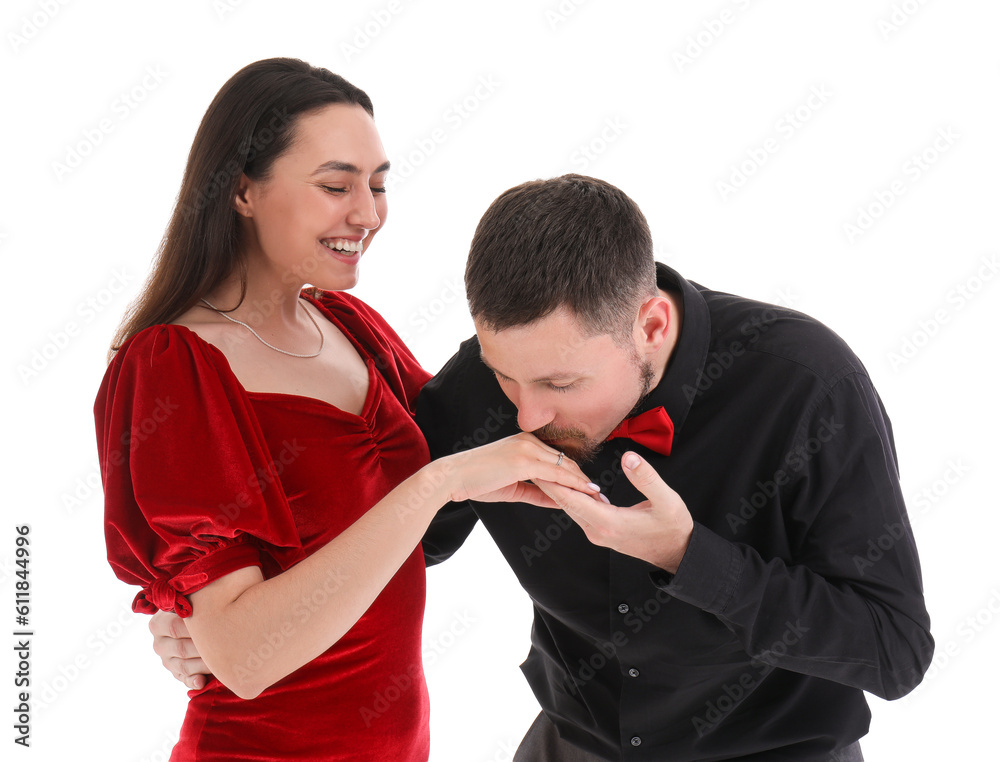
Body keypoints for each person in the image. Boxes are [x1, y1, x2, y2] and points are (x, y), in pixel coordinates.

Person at [153, 174, 934, 760]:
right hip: (568, 744)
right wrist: (221, 609)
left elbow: (894, 651)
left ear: (651, 324)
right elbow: (387, 536)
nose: (524, 415)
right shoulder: (485, 390)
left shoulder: (806, 386)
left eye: (560, 385)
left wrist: (686, 557)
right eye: (505, 377)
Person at [94, 60, 599, 762]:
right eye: (336, 186)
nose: (367, 213)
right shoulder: (175, 366)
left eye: (379, 184)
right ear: (242, 190)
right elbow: (243, 659)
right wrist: (438, 482)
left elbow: (451, 476)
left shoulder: (352, 327)